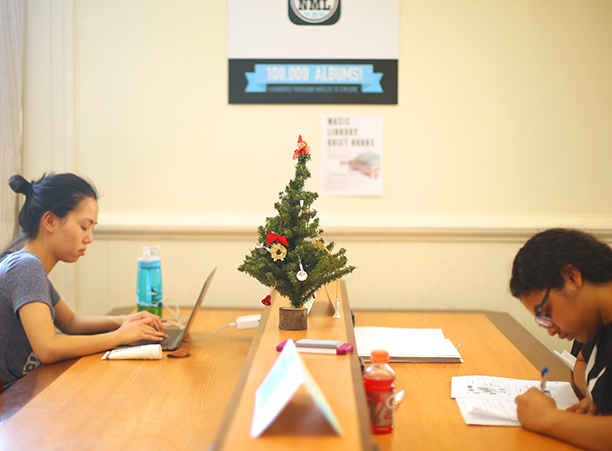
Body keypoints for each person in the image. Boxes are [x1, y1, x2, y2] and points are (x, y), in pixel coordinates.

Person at [0, 173, 168, 391]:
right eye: (83, 226)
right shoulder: (25, 266)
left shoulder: (27, 266)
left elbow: (70, 321)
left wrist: (122, 320)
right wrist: (119, 336)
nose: (89, 238)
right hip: (14, 405)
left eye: (92, 228)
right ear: (50, 221)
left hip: (31, 388)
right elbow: (48, 348)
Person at [510, 228, 612, 451]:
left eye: (546, 312)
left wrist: (548, 418)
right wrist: (596, 398)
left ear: (572, 276)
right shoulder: (598, 321)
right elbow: (582, 363)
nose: (551, 330)